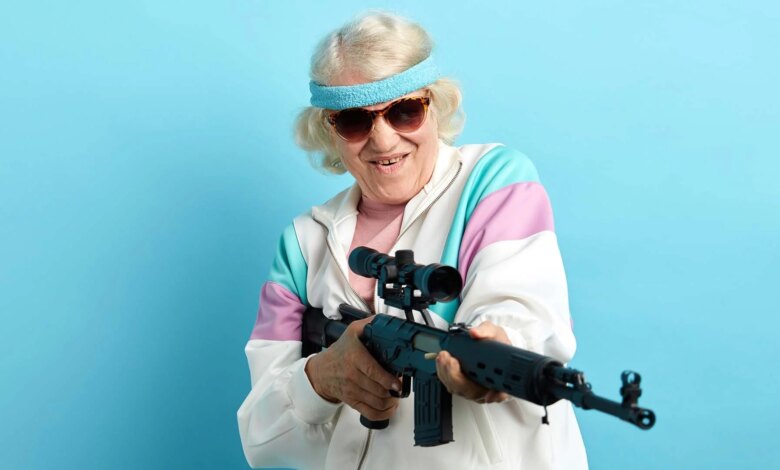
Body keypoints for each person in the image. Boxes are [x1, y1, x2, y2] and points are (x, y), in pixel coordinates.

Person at [237, 11, 588, 470]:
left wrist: (496, 346)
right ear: (328, 129)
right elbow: (260, 437)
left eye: (405, 111)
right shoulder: (303, 244)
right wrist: (321, 378)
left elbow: (522, 310)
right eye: (354, 121)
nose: (383, 142)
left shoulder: (493, 181)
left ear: (434, 105)